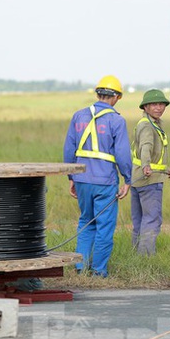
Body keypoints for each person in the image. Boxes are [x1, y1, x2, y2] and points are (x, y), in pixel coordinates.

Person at [63, 75, 132, 277]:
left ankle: (80, 267)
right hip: (105, 182)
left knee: (86, 221)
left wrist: (71, 177)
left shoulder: (78, 116)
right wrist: (127, 179)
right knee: (104, 226)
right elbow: (122, 154)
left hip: (82, 178)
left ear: (98, 94)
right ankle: (99, 271)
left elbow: (69, 149)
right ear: (116, 97)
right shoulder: (117, 120)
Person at [130, 89, 170, 255]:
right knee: (151, 220)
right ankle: (146, 257)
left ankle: (136, 254)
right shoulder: (148, 126)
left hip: (137, 178)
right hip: (149, 180)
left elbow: (155, 153)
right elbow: (146, 147)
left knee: (139, 220)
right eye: (154, 104)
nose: (159, 107)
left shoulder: (148, 123)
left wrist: (166, 170)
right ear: (145, 107)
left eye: (162, 104)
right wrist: (146, 165)